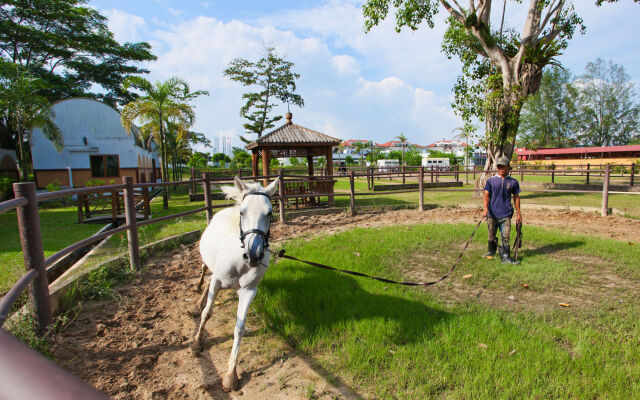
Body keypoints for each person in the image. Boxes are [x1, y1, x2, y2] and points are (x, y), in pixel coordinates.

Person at [482, 156, 522, 264]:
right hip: (492, 214)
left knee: (505, 237)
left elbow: (516, 198)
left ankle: (505, 258)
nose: (501, 169)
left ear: (508, 167)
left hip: (506, 214)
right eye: (499, 167)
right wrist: (485, 209)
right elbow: (486, 196)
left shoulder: (513, 182)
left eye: (503, 166)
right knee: (491, 235)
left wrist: (519, 214)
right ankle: (491, 252)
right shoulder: (491, 181)